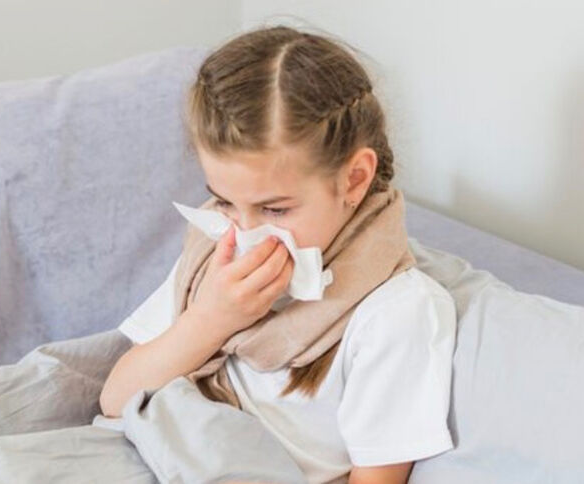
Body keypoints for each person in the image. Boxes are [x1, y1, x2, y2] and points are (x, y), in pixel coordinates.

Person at [99, 25, 457, 484]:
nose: (247, 233)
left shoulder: (394, 313)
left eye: (275, 209)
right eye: (225, 201)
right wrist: (210, 319)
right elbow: (116, 398)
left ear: (353, 179)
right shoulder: (216, 255)